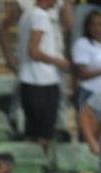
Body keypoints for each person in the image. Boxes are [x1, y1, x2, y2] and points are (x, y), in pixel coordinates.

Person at [16, 0, 70, 152]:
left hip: (28, 80)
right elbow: (34, 51)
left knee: (32, 133)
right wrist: (59, 62)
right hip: (42, 82)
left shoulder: (27, 14)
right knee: (44, 136)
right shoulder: (40, 16)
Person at [72, 9, 101, 110]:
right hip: (90, 93)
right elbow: (81, 74)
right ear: (87, 27)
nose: (97, 28)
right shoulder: (82, 43)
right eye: (93, 24)